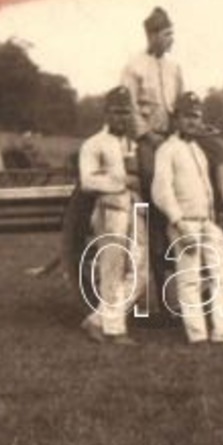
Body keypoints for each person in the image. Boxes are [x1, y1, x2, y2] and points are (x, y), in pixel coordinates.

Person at [151, 93, 223, 345]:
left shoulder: (198, 149)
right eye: (186, 116)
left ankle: (222, 330)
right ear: (176, 119)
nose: (192, 121)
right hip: (184, 221)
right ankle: (197, 335)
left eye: (196, 116)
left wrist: (213, 221)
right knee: (189, 278)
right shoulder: (167, 150)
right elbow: (161, 190)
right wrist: (178, 223)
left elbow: (208, 190)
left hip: (205, 221)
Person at [75, 86, 145, 346]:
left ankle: (97, 320)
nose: (122, 117)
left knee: (141, 272)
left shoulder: (135, 144)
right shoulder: (94, 144)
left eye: (126, 112)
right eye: (116, 112)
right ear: (106, 113)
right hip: (110, 208)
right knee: (112, 269)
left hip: (135, 209)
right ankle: (115, 331)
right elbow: (87, 181)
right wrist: (122, 180)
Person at [122, 6, 184, 135]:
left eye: (172, 34)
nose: (172, 40)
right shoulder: (134, 66)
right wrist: (147, 135)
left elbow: (181, 103)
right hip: (145, 138)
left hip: (172, 135)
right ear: (152, 36)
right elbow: (130, 107)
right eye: (167, 34)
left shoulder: (175, 67)